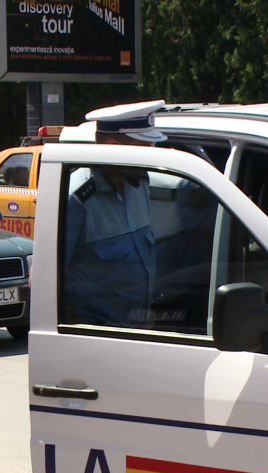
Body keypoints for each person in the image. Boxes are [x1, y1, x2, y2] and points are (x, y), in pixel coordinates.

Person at [64, 100, 165, 326]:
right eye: (144, 148)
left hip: (139, 331)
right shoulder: (77, 199)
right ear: (112, 145)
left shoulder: (139, 185)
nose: (151, 158)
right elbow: (45, 282)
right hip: (98, 341)